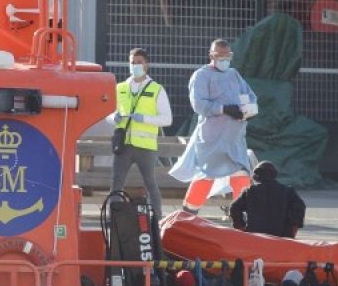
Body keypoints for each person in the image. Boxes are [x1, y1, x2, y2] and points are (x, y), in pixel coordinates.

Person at [171, 39, 256, 215]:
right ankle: (188, 215)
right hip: (212, 139)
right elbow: (199, 105)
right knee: (206, 175)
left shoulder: (234, 74)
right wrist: (223, 109)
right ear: (211, 55)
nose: (225, 59)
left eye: (228, 56)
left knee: (241, 174)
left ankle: (245, 217)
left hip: (234, 139)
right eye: (220, 56)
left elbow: (249, 96)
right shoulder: (201, 76)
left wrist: (247, 110)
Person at [108, 47, 172, 219]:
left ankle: (158, 220)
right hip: (124, 144)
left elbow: (167, 119)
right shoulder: (120, 88)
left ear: (146, 65)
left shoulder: (157, 89)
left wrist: (144, 119)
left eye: (139, 63)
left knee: (150, 184)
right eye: (132, 63)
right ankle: (113, 219)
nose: (135, 66)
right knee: (116, 183)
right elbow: (107, 114)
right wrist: (113, 117)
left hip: (146, 146)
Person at [229, 161, 305, 239]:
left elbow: (234, 207)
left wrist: (240, 227)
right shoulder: (288, 191)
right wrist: (293, 229)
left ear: (257, 176)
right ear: (274, 175)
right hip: (282, 238)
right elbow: (300, 207)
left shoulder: (250, 192)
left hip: (255, 238)